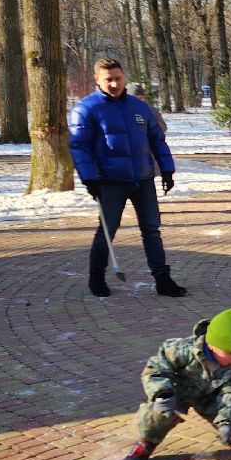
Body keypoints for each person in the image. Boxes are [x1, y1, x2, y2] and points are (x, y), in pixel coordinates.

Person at [69, 56, 187, 299]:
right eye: (108, 79)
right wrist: (89, 178)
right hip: (109, 181)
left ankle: (162, 279)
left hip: (143, 179)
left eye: (118, 78)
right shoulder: (87, 108)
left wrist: (167, 169)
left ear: (124, 77)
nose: (114, 84)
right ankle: (96, 277)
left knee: (152, 230)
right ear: (97, 79)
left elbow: (156, 140)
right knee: (107, 231)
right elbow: (79, 146)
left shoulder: (139, 107)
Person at [122, 309, 231, 460]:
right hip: (176, 393)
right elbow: (155, 369)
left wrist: (227, 422)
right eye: (230, 354)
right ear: (212, 345)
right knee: (156, 416)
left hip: (211, 396)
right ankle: (145, 443)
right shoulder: (181, 349)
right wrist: (162, 394)